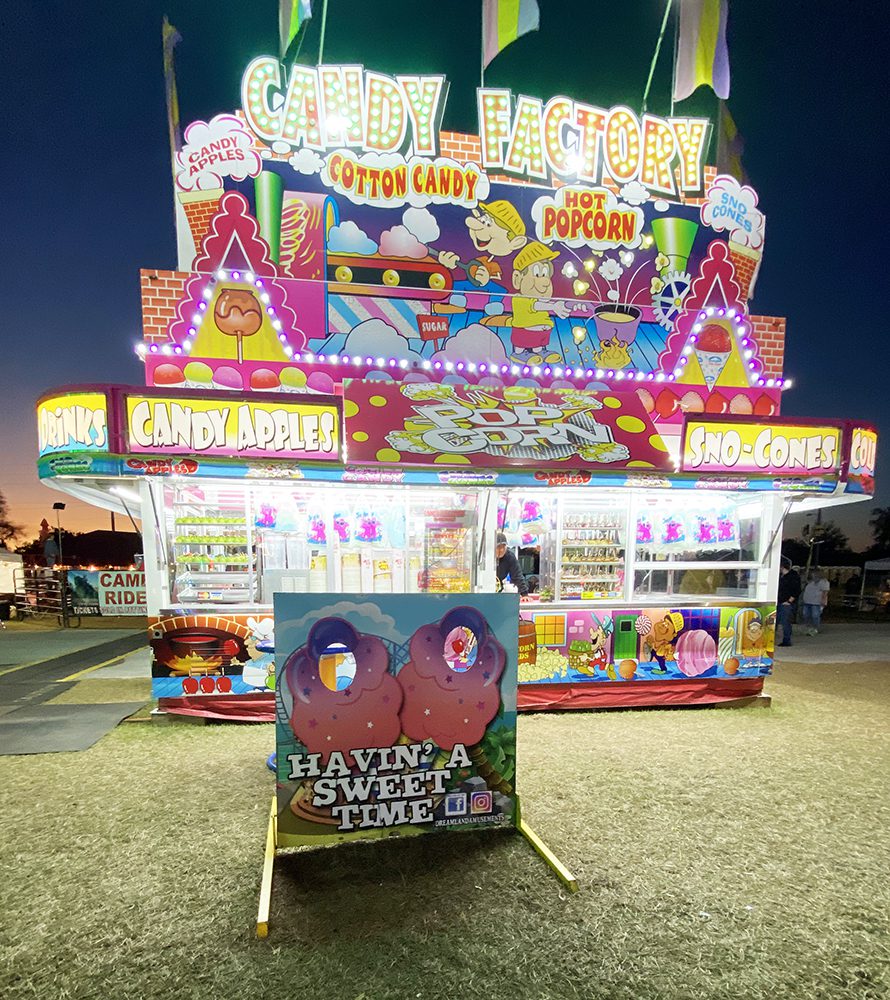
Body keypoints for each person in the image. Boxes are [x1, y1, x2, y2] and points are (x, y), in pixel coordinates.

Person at [776, 556, 801, 646]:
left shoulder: (793, 576)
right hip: (779, 601)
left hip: (786, 603)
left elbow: (796, 591)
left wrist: (789, 601)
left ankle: (787, 640)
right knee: (776, 621)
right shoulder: (781, 576)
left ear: (782, 567)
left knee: (785, 622)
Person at [495, 532, 528, 596]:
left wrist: (524, 594)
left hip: (498, 589)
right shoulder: (486, 557)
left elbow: (517, 575)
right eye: (498, 547)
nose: (501, 550)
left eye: (504, 546)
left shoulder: (509, 556)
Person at [801, 570, 830, 636]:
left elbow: (825, 592)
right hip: (807, 601)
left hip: (816, 602)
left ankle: (815, 628)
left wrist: (823, 601)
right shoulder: (810, 582)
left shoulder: (824, 582)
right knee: (805, 615)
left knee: (815, 616)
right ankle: (809, 627)